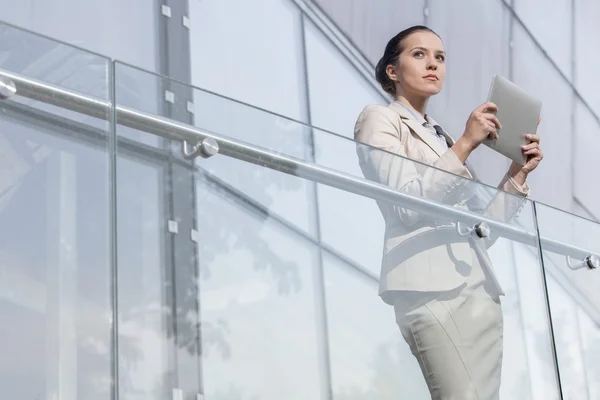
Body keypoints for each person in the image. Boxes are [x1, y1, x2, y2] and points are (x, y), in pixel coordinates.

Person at [354, 25, 543, 400]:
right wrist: (466, 144)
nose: (433, 64)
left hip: (479, 291)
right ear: (392, 71)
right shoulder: (380, 118)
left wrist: (517, 173)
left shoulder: (440, 137)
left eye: (440, 57)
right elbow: (407, 204)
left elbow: (484, 230)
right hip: (428, 289)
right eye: (419, 54)